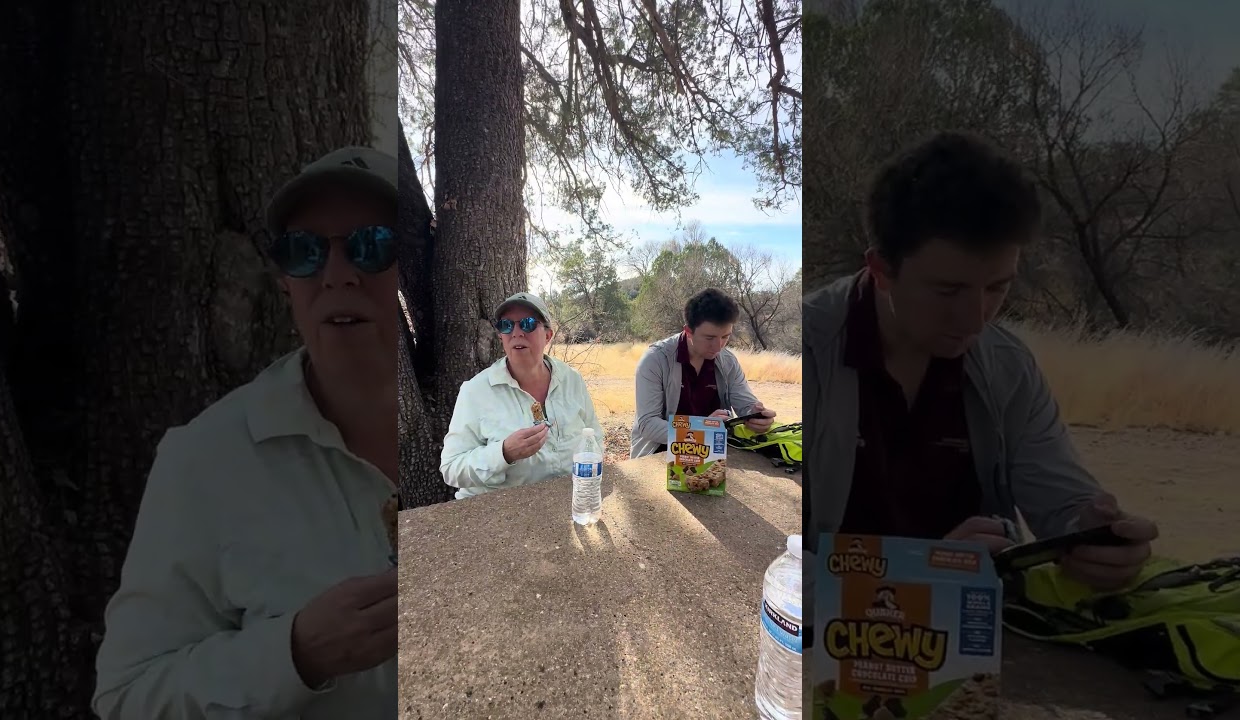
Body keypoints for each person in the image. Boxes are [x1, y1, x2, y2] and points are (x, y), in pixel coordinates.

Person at [92, 146, 401, 719]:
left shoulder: (495, 421)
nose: (337, 275)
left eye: (374, 245)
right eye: (305, 252)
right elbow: (128, 697)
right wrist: (296, 654)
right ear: (285, 283)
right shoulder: (205, 460)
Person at [804, 131, 1158, 591]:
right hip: (827, 632)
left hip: (977, 623)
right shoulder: (811, 350)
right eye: (947, 290)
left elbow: (1063, 501)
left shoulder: (1008, 367)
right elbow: (772, 557)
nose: (976, 319)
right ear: (882, 270)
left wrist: (1090, 532)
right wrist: (916, 573)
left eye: (997, 288)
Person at [439, 292, 604, 499]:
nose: (517, 332)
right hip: (499, 509)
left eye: (528, 324)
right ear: (501, 336)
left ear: (548, 335)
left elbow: (595, 439)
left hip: (567, 502)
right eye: (506, 325)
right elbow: (451, 469)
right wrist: (503, 453)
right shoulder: (476, 391)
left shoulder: (572, 380)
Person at [630, 287, 777, 458]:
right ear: (688, 331)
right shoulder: (655, 360)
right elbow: (648, 425)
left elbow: (745, 405)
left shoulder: (728, 361)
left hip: (712, 452)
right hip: (660, 452)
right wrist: (702, 427)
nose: (718, 347)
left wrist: (756, 415)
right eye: (709, 338)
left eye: (725, 337)